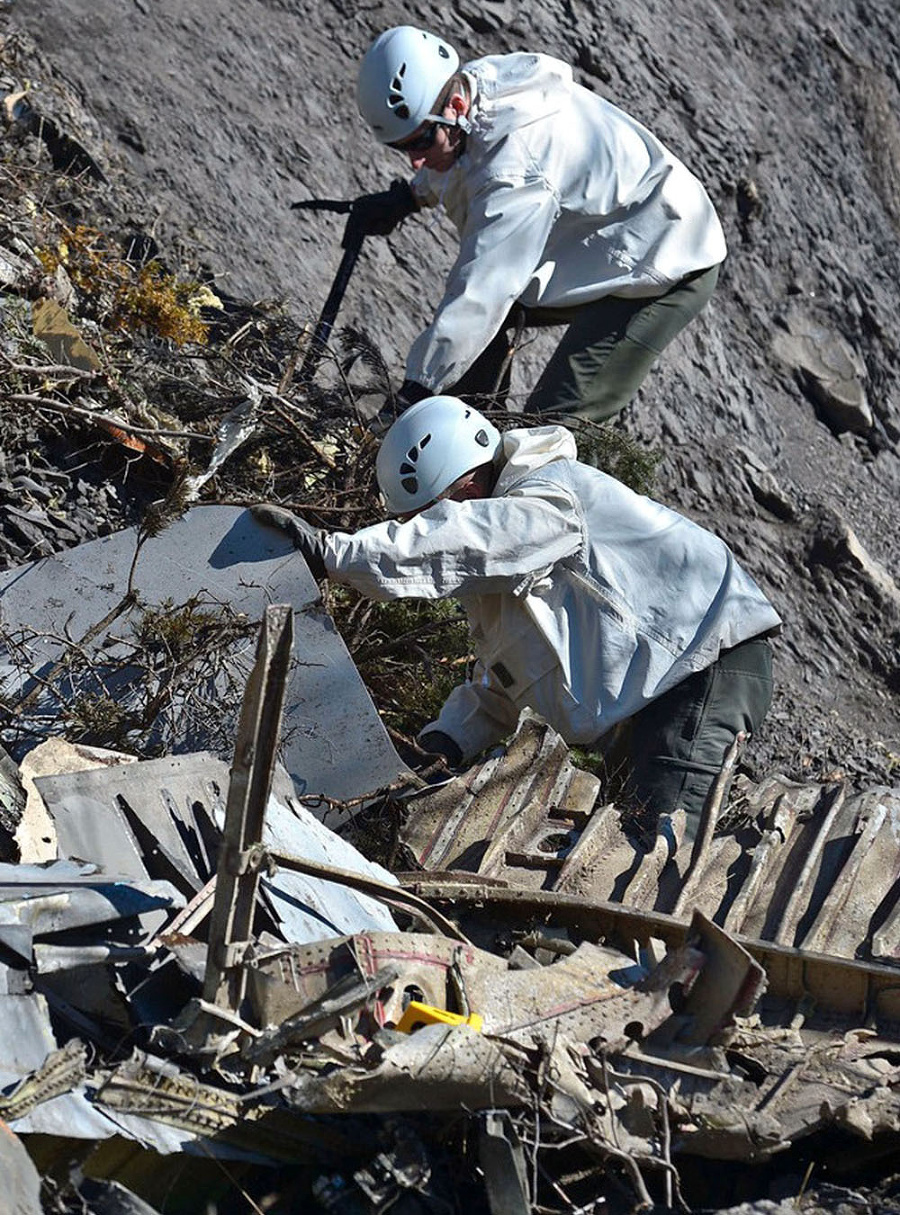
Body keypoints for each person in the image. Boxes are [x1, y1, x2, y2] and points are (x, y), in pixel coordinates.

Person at [252, 397, 781, 841]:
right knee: (622, 855)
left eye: (432, 513)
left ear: (463, 485)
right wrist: (445, 742)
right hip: (657, 701)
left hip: (702, 668)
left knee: (657, 861)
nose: (430, 525)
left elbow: (471, 537)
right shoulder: (507, 568)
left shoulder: (550, 496)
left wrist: (335, 555)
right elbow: (503, 684)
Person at [352, 26, 727, 425]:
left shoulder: (518, 170)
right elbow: (468, 156)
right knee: (466, 356)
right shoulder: (475, 91)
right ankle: (466, 448)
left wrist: (417, 389)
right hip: (605, 233)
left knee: (553, 425)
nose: (413, 161)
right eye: (401, 147)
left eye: (419, 144)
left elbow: (484, 290)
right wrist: (410, 196)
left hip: (665, 255)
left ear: (456, 106)